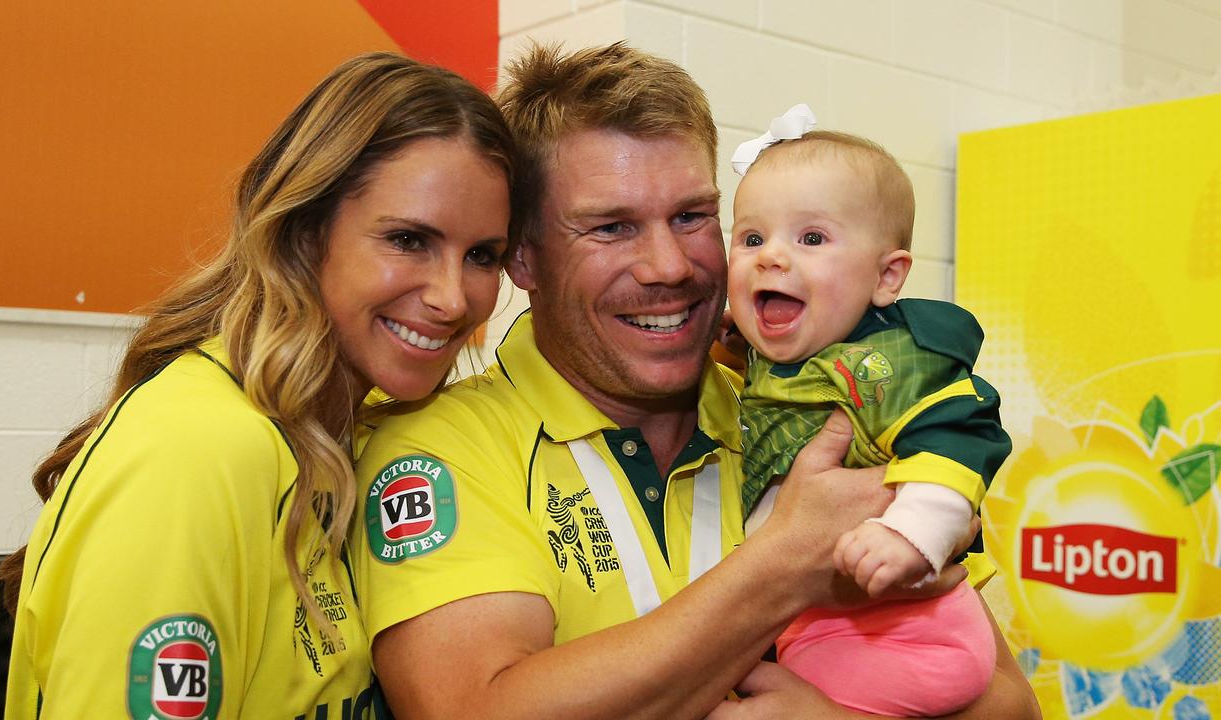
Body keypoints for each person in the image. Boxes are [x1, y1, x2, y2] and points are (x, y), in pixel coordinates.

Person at [356, 42, 1040, 719]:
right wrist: (782, 566)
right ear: (524, 257)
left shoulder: (809, 412)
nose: (669, 266)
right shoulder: (443, 446)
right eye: (612, 226)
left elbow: (1009, 704)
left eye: (690, 217)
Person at [0, 52, 516, 719]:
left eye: (482, 256)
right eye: (409, 240)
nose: (452, 299)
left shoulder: (341, 439)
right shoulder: (197, 452)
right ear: (305, 233)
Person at [727, 105, 1012, 716]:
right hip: (820, 624)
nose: (771, 257)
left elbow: (962, 439)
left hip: (911, 631)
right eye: (752, 238)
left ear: (887, 278)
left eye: (812, 238)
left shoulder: (890, 365)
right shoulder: (775, 356)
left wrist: (910, 534)